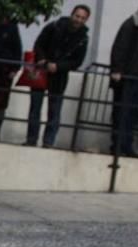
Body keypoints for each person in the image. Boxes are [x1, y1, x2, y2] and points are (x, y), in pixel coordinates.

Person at [24, 5, 90, 149]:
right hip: (40, 71)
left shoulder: (83, 39)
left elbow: (77, 62)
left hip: (59, 76)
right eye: (77, 16)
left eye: (82, 18)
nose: (78, 20)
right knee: (35, 107)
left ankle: (48, 142)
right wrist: (42, 59)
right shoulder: (55, 26)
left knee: (54, 111)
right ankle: (31, 139)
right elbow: (39, 44)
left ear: (86, 20)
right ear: (72, 15)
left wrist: (58, 66)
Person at [110, 6, 138, 157]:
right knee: (123, 113)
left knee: (132, 114)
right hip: (127, 79)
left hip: (135, 79)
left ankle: (126, 145)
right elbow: (119, 48)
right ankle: (119, 146)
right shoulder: (131, 25)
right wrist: (117, 70)